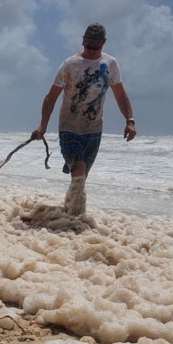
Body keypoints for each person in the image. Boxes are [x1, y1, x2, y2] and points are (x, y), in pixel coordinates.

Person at [30, 23, 136, 216]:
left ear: (103, 43)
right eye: (88, 47)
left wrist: (130, 120)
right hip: (69, 127)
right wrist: (42, 125)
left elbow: (121, 95)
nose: (92, 51)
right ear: (83, 41)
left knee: (81, 176)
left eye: (96, 48)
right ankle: (77, 218)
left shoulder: (111, 64)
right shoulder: (70, 65)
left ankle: (69, 211)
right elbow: (51, 97)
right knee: (78, 170)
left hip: (94, 128)